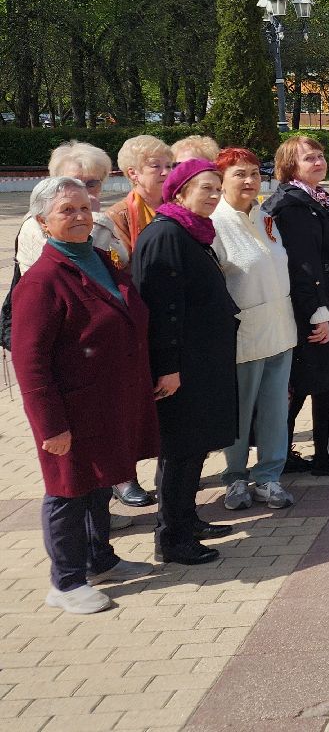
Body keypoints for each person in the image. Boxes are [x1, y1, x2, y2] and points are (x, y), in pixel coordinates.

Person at [11, 177, 161, 613]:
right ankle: (66, 582)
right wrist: (51, 426)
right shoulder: (41, 282)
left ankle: (99, 559)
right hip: (70, 409)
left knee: (100, 481)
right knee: (67, 491)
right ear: (43, 222)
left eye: (83, 208)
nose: (79, 217)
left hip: (106, 401)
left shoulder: (97, 259)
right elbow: (30, 363)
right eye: (66, 210)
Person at [132, 158, 240, 564]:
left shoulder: (192, 231)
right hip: (181, 367)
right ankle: (172, 538)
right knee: (179, 450)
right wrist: (168, 367)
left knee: (195, 446)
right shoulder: (165, 234)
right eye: (205, 188)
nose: (214, 196)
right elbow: (160, 308)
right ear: (179, 193)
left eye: (217, 189)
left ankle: (187, 519)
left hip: (202, 360)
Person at [263, 137, 329, 476]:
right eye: (309, 158)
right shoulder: (293, 206)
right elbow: (303, 265)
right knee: (326, 383)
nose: (319, 162)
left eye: (320, 156)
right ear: (290, 165)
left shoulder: (312, 199)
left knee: (311, 383)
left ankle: (284, 454)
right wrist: (318, 312)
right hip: (319, 310)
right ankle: (325, 457)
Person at [212, 147, 299, 511]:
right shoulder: (215, 223)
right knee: (240, 411)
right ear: (221, 181)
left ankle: (269, 476)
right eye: (239, 174)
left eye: (253, 173)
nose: (249, 181)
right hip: (244, 335)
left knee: (275, 409)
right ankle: (235, 477)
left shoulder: (264, 216)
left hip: (279, 327)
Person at [16, 141, 126, 273]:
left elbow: (121, 259)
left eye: (92, 184)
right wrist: (94, 219)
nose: (83, 190)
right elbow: (80, 267)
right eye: (74, 183)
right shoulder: (38, 223)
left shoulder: (101, 217)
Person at [105, 134, 172, 257]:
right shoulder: (118, 215)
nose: (166, 172)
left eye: (168, 166)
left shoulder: (179, 205)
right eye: (156, 166)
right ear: (133, 173)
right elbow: (123, 262)